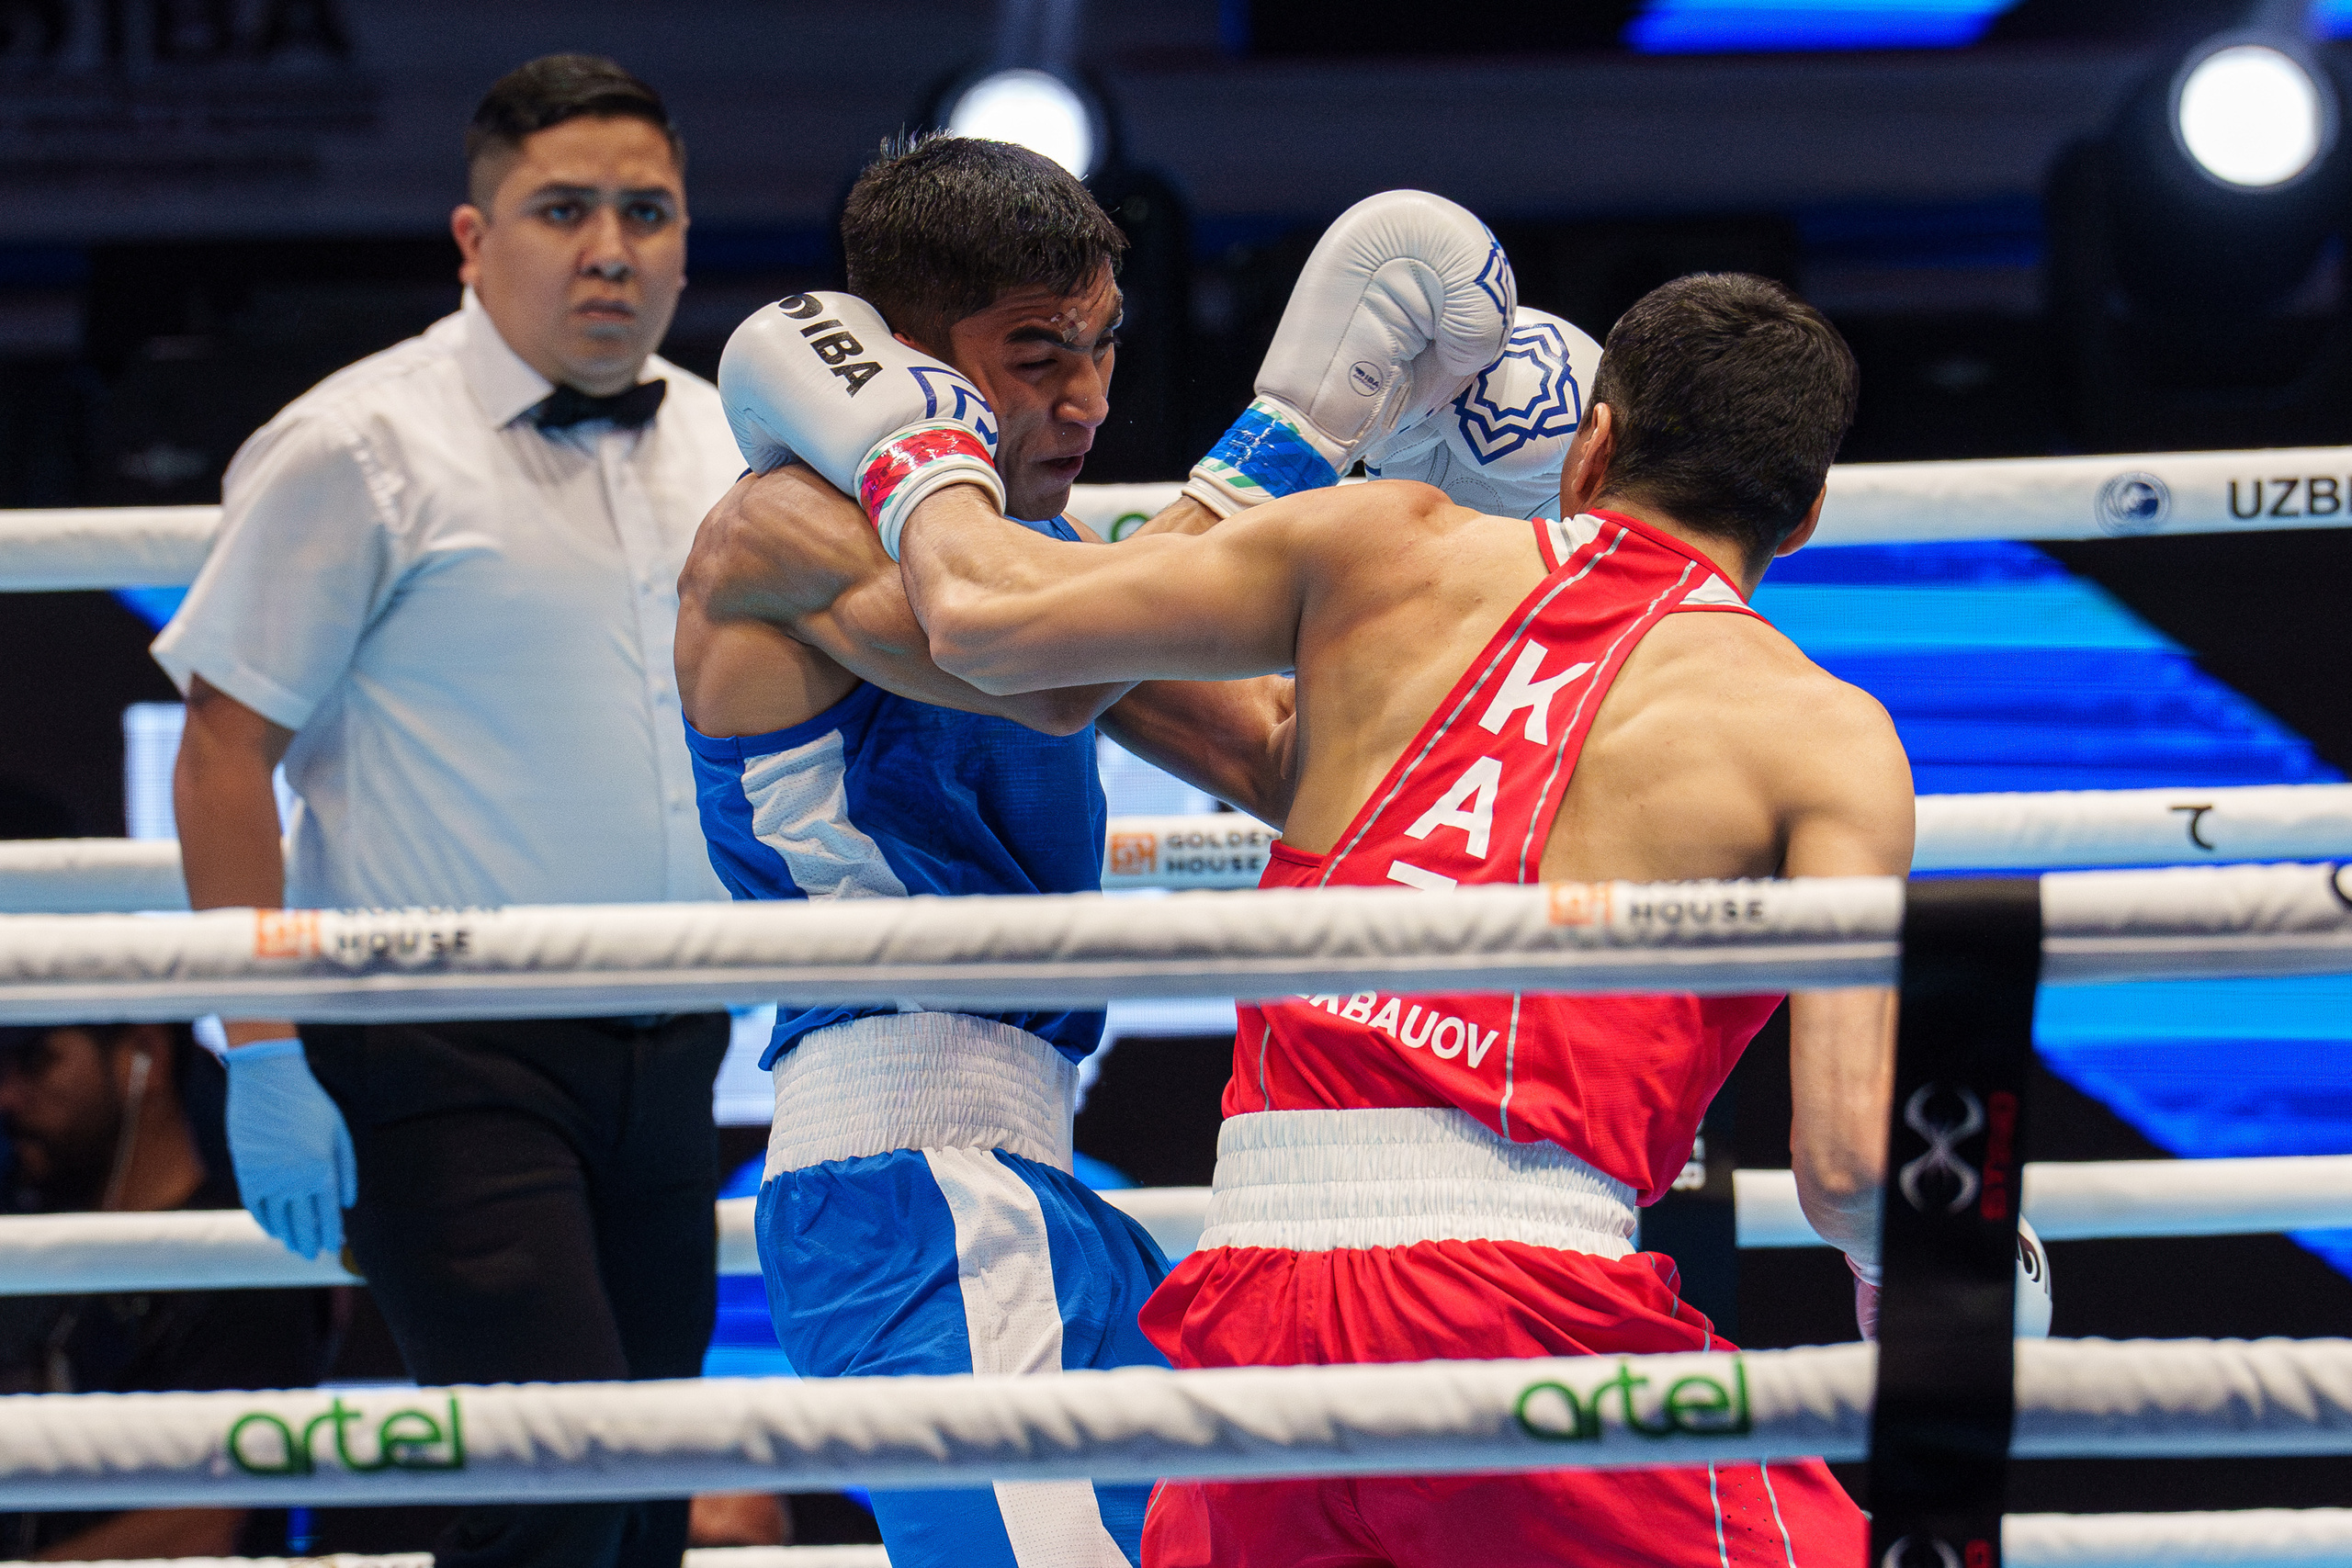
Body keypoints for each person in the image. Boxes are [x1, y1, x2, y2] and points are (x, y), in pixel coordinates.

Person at [754, 270, 1905, 1566]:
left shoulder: (1379, 544)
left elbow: (987, 616)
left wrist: (898, 426)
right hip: (1523, 1312)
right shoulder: (1828, 737)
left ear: (1598, 443)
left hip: (1253, 1331)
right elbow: (1852, 1168)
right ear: (1804, 515)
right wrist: (1925, 1272)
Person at [677, 141, 1519, 1568]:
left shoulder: (1040, 549)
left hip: (1034, 1181)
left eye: (1102, 345)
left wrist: (1466, 534)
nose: (1084, 396)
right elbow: (1044, 671)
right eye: (1032, 354)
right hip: (906, 1185)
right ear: (899, 362)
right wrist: (1296, 433)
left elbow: (1280, 757)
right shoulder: (780, 530)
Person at [153, 54, 741, 1568]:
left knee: (646, 1501)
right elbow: (226, 748)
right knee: (552, 1485)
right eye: (563, 209)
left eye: (645, 209)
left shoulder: (728, 443)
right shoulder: (359, 446)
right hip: (435, 1043)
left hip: (676, 1036)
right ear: (475, 240)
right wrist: (261, 1046)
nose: (610, 246)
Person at [0, 1022, 334, 1562]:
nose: (9, 1097)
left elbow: (213, 1517)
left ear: (143, 1057)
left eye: (38, 1060)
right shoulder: (25, 1250)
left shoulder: (242, 1256)